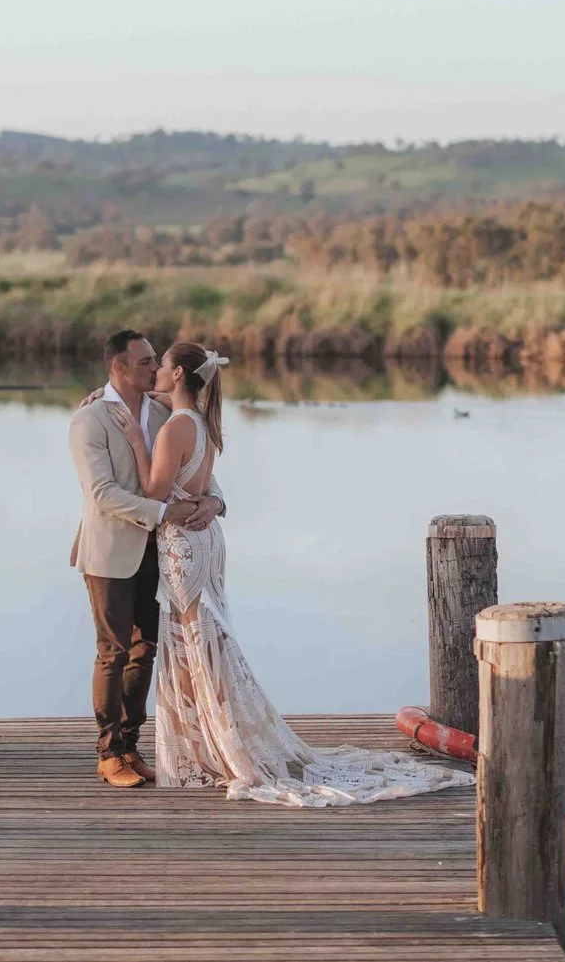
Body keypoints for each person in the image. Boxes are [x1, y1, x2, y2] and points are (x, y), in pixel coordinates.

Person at [143, 338, 471, 806]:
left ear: (177, 375)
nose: (155, 371)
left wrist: (136, 440)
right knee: (205, 639)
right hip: (206, 542)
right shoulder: (198, 419)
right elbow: (186, 465)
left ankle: (222, 748)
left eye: (163, 366)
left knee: (195, 641)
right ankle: (210, 744)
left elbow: (155, 492)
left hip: (181, 546)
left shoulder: (173, 429)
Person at [68, 329, 222, 788]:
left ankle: (132, 747)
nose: (155, 369)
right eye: (144, 362)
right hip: (110, 552)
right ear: (117, 367)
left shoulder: (163, 412)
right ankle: (108, 752)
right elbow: (102, 494)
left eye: (156, 360)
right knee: (112, 653)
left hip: (163, 552)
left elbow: (193, 470)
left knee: (146, 650)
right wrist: (162, 512)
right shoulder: (89, 420)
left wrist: (215, 502)